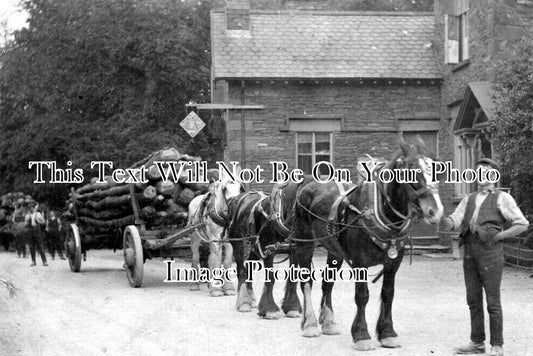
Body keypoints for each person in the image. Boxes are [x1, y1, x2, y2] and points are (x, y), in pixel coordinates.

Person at [441, 158, 529, 356]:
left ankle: (497, 345)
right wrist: (440, 218)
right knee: (473, 298)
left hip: (491, 253)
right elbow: (454, 221)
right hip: (470, 252)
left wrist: (500, 236)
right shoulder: (468, 198)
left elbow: (522, 223)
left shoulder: (502, 198)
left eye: (486, 172)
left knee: (493, 301)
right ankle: (477, 343)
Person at [24, 202, 48, 267]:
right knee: (31, 247)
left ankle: (44, 261)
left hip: (37, 231)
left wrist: (38, 220)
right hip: (30, 231)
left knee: (40, 246)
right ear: (29, 209)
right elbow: (25, 224)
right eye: (30, 208)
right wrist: (28, 221)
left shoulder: (38, 214)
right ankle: (33, 261)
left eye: (32, 208)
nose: (31, 209)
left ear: (34, 208)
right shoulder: (27, 215)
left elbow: (43, 222)